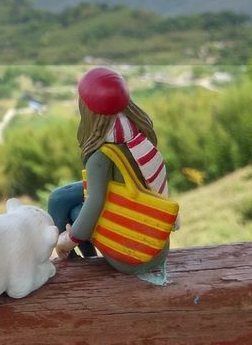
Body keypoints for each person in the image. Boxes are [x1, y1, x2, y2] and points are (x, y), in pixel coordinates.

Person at [47, 67, 174, 278]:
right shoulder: (139, 132)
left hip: (134, 253)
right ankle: (80, 259)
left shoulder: (102, 155)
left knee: (76, 212)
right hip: (153, 235)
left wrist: (67, 240)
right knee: (60, 197)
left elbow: (95, 203)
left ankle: (69, 260)